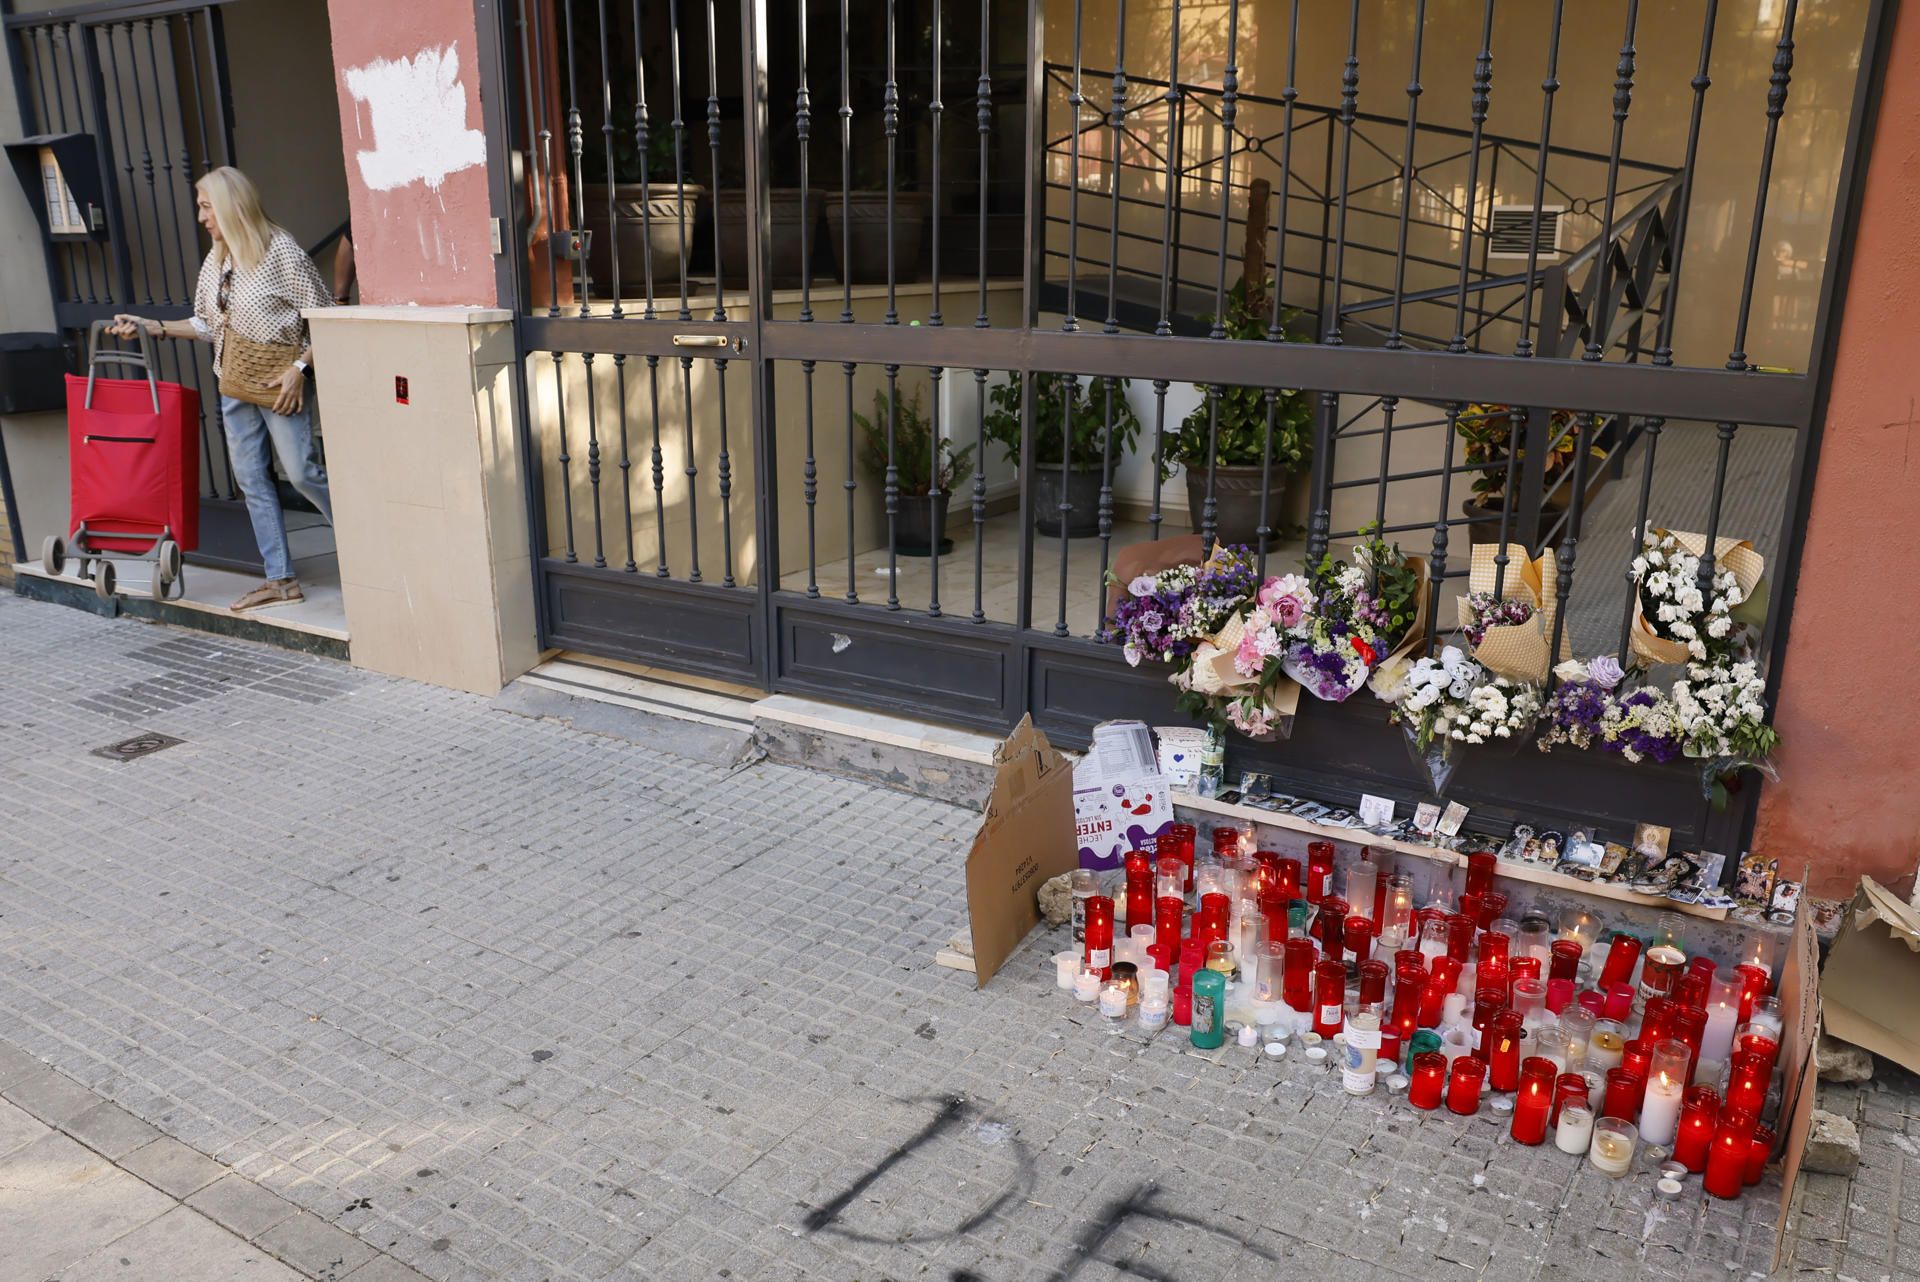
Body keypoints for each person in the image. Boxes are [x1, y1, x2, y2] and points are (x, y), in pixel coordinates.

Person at [111, 166, 333, 612]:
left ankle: (371, 552)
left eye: (206, 206)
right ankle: (281, 579)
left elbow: (327, 317)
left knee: (303, 472)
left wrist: (299, 370)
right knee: (251, 478)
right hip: (233, 384)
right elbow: (204, 324)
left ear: (231, 206)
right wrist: (151, 327)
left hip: (279, 383)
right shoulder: (217, 261)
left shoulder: (280, 251)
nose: (200, 217)